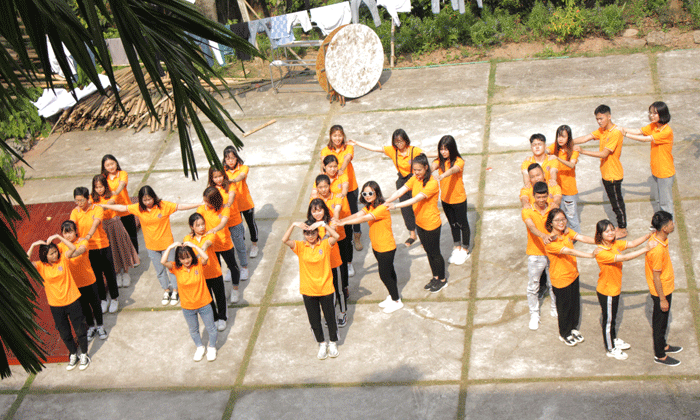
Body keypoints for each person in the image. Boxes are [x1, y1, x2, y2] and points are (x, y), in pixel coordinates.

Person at [99, 186, 201, 306]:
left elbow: (180, 206)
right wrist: (104, 206)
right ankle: (166, 290)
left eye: (149, 199)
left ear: (154, 197)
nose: (148, 202)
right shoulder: (138, 208)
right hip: (152, 247)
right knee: (160, 271)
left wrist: (199, 204)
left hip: (167, 245)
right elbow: (123, 207)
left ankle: (175, 291)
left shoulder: (163, 206)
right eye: (145, 200)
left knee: (173, 269)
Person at [386, 153, 447, 293]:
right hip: (420, 223)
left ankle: (442, 279)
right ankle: (435, 277)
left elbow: (416, 199)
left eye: (419, 170)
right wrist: (387, 201)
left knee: (435, 253)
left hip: (431, 224)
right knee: (428, 252)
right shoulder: (415, 178)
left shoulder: (432, 183)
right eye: (414, 170)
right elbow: (401, 190)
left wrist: (395, 206)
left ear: (426, 167)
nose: (416, 172)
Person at [27, 235, 90, 371]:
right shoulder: (41, 266)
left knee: (80, 329)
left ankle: (84, 354)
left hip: (72, 300)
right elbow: (25, 262)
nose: (55, 255)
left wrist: (57, 236)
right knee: (65, 333)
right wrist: (33, 245)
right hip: (56, 305)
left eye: (55, 251)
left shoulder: (63, 259)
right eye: (51, 253)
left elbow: (72, 248)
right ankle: (73, 354)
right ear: (45, 255)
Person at [349, 129, 422, 247]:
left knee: (418, 207)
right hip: (402, 181)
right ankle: (413, 234)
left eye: (401, 141)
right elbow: (375, 148)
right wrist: (357, 143)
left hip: (415, 180)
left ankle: (423, 236)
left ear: (406, 140)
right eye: (396, 142)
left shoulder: (414, 150)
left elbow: (427, 154)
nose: (399, 144)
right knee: (406, 210)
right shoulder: (393, 151)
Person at [339, 181, 403, 313]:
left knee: (385, 275)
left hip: (386, 247)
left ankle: (397, 300)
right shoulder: (370, 206)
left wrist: (343, 223)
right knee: (389, 272)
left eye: (370, 193)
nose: (367, 196)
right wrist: (342, 220)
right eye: (365, 194)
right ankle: (393, 295)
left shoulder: (381, 207)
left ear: (376, 193)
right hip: (377, 246)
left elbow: (363, 219)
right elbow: (358, 215)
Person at [593, 219, 652, 360]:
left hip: (614, 289)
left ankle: (613, 339)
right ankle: (610, 348)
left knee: (612, 318)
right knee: (608, 321)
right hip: (607, 291)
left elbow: (631, 244)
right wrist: (646, 249)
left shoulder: (614, 244)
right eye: (606, 231)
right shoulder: (601, 252)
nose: (611, 233)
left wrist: (648, 236)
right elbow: (624, 258)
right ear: (600, 234)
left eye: (612, 229)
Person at [282, 218, 340, 360]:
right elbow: (285, 240)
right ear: (304, 234)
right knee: (314, 320)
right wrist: (293, 224)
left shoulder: (325, 244)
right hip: (308, 290)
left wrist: (323, 224)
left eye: (313, 232)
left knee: (330, 318)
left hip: (326, 288)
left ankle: (333, 342)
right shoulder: (300, 246)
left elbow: (336, 236)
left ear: (318, 232)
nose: (310, 236)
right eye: (307, 233)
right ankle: (322, 343)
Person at [574, 105, 627, 238]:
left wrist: (583, 151)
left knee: (617, 204)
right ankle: (620, 226)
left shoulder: (615, 133)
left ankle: (622, 229)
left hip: (613, 174)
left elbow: (604, 154)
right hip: (606, 173)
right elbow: (586, 138)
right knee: (614, 203)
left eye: (601, 118)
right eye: (597, 119)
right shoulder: (602, 131)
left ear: (609, 116)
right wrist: (568, 142)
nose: (599, 121)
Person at [544, 209, 595, 346]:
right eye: (557, 220)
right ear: (551, 223)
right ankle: (564, 333)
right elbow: (570, 251)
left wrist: (600, 241)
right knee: (564, 308)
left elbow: (582, 238)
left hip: (573, 275)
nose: (561, 222)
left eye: (563, 219)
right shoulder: (550, 242)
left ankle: (573, 328)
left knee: (574, 305)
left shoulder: (566, 233)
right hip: (561, 280)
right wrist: (591, 255)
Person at [162, 242, 218, 362]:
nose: (186, 261)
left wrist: (195, 246)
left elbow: (206, 257)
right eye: (182, 258)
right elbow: (163, 261)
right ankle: (200, 347)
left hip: (204, 304)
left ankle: (212, 348)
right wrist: (170, 247)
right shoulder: (176, 268)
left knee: (211, 328)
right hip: (187, 307)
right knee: (193, 330)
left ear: (192, 256)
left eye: (188, 257)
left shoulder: (198, 264)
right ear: (178, 259)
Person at [619, 102, 675, 216]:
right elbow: (639, 131)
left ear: (662, 114)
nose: (651, 116)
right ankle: (660, 222)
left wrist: (625, 134)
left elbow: (645, 139)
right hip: (656, 170)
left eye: (655, 113)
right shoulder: (654, 126)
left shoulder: (666, 131)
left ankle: (669, 223)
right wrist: (619, 128)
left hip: (665, 172)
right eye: (650, 113)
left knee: (665, 202)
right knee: (658, 200)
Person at [70, 186, 119, 314]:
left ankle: (114, 298)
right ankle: (103, 299)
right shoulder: (75, 212)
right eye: (76, 200)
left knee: (109, 273)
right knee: (96, 275)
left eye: (81, 200)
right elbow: (71, 226)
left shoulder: (97, 209)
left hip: (101, 245)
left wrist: (87, 237)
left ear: (88, 198)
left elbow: (96, 223)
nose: (79, 203)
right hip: (87, 249)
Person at [59, 220, 108, 342]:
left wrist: (67, 254)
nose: (68, 235)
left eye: (70, 232)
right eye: (65, 233)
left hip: (89, 280)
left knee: (95, 305)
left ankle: (100, 326)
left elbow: (79, 251)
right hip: (75, 284)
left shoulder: (83, 242)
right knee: (84, 307)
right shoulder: (61, 246)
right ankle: (91, 327)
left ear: (76, 231)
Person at [645, 211, 682, 366]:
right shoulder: (657, 249)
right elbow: (656, 276)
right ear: (664, 228)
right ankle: (660, 355)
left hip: (666, 287)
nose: (673, 225)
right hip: (662, 291)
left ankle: (663, 345)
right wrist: (662, 299)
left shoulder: (659, 238)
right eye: (671, 223)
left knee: (663, 321)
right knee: (660, 323)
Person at [91, 174, 139, 288]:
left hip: (115, 224)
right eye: (96, 187)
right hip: (102, 227)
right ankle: (117, 273)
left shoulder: (112, 194)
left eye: (101, 186)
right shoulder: (91, 198)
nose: (99, 189)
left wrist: (97, 206)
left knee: (122, 247)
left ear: (105, 186)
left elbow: (110, 204)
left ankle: (126, 273)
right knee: (111, 251)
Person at [521, 181, 558, 330]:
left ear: (548, 195)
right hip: (535, 254)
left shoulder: (553, 209)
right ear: (533, 196)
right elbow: (531, 226)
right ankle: (534, 314)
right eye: (538, 197)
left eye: (544, 197)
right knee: (533, 286)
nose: (541, 200)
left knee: (553, 283)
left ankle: (555, 308)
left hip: (552, 252)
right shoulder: (527, 211)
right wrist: (543, 236)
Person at [321, 125, 363, 251]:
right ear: (330, 136)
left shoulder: (348, 147)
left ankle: (357, 236)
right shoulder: (325, 150)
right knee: (336, 213)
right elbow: (323, 165)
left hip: (350, 187)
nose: (337, 138)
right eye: (334, 136)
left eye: (339, 135)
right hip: (334, 189)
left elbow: (347, 158)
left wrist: (341, 170)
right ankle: (340, 236)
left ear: (343, 136)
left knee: (354, 213)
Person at [313, 155, 355, 277]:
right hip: (327, 219)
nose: (333, 169)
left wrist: (342, 194)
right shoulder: (321, 179)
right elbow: (314, 193)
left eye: (335, 166)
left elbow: (345, 187)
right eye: (330, 166)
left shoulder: (342, 175)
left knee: (347, 241)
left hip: (344, 215)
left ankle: (348, 263)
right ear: (324, 167)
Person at [185, 213, 228, 331]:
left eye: (203, 224)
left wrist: (199, 247)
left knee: (220, 296)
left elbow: (208, 243)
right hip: (201, 275)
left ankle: (222, 317)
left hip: (214, 271)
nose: (202, 227)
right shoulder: (188, 239)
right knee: (208, 299)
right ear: (192, 227)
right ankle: (214, 317)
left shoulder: (210, 234)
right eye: (198, 225)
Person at [198, 187, 242, 304]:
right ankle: (222, 291)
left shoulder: (224, 209)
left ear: (214, 201)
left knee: (232, 266)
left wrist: (213, 230)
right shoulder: (202, 209)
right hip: (211, 246)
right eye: (204, 200)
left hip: (224, 244)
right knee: (216, 271)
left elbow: (223, 223)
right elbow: (197, 222)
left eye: (207, 201)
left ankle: (235, 289)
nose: (205, 203)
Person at [307, 198, 348, 326]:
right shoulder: (310, 225)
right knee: (328, 292)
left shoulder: (331, 222)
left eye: (320, 210)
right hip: (321, 265)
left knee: (339, 289)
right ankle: (330, 314)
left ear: (325, 210)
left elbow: (332, 235)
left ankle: (342, 312)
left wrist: (323, 225)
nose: (317, 213)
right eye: (314, 211)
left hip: (334, 261)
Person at [432, 135, 471, 265]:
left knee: (463, 224)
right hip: (445, 200)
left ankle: (465, 249)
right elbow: (433, 165)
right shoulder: (439, 161)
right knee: (453, 224)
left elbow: (454, 170)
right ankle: (457, 247)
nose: (443, 152)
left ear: (452, 149)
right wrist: (427, 171)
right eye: (441, 149)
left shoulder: (459, 161)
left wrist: (443, 175)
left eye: (446, 149)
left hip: (458, 199)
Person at [208, 166, 249, 281]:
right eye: (215, 177)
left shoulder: (230, 185)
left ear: (224, 175)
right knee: (226, 249)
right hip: (220, 224)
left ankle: (244, 267)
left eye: (220, 176)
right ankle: (231, 268)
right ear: (211, 178)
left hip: (234, 220)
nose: (218, 179)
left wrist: (227, 205)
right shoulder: (210, 189)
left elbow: (231, 196)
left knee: (239, 245)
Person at [223, 146, 259, 258]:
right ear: (224, 160)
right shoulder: (223, 171)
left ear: (237, 158)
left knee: (251, 224)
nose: (230, 161)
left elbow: (241, 176)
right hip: (233, 206)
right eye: (228, 159)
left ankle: (254, 245)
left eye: (232, 158)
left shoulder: (243, 168)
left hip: (246, 203)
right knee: (238, 228)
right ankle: (242, 245)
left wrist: (232, 180)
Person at [101, 154, 139, 254]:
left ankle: (135, 255)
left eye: (112, 164)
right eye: (107, 165)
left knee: (131, 234)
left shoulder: (122, 173)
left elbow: (122, 184)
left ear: (116, 163)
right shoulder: (104, 178)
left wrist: (116, 192)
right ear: (104, 167)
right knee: (118, 237)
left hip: (126, 209)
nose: (111, 167)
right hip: (113, 213)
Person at [547, 125, 580, 232]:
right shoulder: (555, 147)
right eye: (559, 136)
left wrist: (557, 158)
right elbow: (546, 150)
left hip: (569, 191)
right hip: (557, 190)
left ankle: (576, 236)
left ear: (569, 137)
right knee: (559, 217)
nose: (560, 139)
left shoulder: (574, 150)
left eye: (563, 136)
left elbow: (571, 165)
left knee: (571, 217)